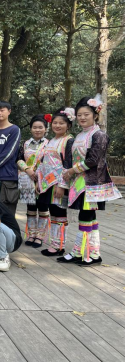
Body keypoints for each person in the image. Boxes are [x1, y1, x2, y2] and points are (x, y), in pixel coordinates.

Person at [59, 95, 122, 266]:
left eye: (86, 114)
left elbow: (93, 160)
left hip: (92, 184)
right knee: (87, 217)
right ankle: (89, 253)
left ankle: (84, 252)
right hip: (79, 182)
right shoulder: (79, 135)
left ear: (95, 115)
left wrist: (72, 170)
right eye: (79, 114)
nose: (82, 117)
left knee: (87, 216)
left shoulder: (99, 135)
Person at [36, 108, 74, 256]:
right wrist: (39, 181)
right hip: (48, 183)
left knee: (60, 213)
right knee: (53, 213)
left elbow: (68, 164)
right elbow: (43, 162)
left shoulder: (69, 141)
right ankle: (55, 243)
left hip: (59, 184)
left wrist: (62, 185)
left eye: (61, 123)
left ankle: (59, 246)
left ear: (68, 125)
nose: (57, 126)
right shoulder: (51, 141)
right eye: (55, 123)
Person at [16, 114, 50, 248]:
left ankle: (40, 236)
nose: (37, 130)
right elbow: (19, 159)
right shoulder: (25, 144)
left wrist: (39, 176)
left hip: (43, 180)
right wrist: (27, 170)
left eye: (40, 127)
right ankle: (31, 234)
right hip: (27, 179)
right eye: (35, 127)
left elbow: (50, 161)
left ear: (45, 129)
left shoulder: (49, 144)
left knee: (43, 207)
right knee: (30, 208)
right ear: (30, 129)